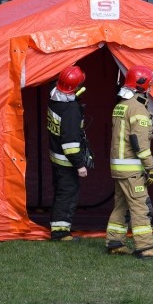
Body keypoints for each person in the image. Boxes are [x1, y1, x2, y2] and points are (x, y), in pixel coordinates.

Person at [105, 65, 153, 259]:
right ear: (143, 85)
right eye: (150, 84)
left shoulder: (121, 105)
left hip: (119, 167)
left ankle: (115, 242)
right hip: (132, 169)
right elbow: (139, 142)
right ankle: (145, 247)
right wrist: (150, 167)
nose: (150, 88)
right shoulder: (138, 108)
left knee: (121, 205)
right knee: (140, 206)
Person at [46, 65, 93, 241]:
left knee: (60, 192)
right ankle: (60, 233)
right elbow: (71, 144)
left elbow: (55, 84)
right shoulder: (71, 110)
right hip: (67, 161)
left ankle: (58, 228)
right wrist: (80, 164)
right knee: (67, 194)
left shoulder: (53, 97)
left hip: (55, 157)